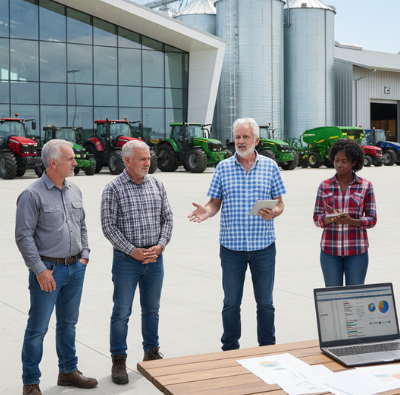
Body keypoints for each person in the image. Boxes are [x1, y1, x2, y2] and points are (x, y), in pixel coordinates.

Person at [188, 117, 287, 351]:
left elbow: (280, 203)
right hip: (232, 249)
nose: (241, 141)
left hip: (263, 248)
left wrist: (274, 212)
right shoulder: (223, 168)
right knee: (231, 303)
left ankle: (267, 349)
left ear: (256, 140)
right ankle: (230, 349)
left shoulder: (270, 167)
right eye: (238, 137)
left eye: (246, 137)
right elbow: (214, 203)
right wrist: (207, 211)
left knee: (265, 303)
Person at [15, 139, 96, 395]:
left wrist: (84, 256)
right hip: (48, 272)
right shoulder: (32, 194)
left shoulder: (75, 189)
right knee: (37, 328)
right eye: (70, 159)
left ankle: (68, 371)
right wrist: (40, 270)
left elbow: (82, 225)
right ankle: (30, 382)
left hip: (75, 269)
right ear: (53, 163)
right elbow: (23, 236)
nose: (75, 162)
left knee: (68, 324)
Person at [101, 140, 173, 385]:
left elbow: (167, 218)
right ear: (127, 161)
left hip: (155, 258)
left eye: (148, 158)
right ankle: (118, 359)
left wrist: (160, 246)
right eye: (142, 159)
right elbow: (108, 227)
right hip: (126, 261)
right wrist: (133, 251)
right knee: (121, 312)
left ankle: (151, 353)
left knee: (152, 310)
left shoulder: (157, 184)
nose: (147, 163)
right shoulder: (113, 188)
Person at [313, 138, 377, 286]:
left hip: (357, 252)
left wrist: (351, 221)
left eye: (344, 161)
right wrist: (330, 218)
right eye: (336, 160)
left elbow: (372, 219)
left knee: (354, 296)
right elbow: (316, 217)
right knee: (333, 295)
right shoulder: (324, 186)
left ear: (354, 162)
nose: (338, 165)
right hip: (330, 251)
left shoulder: (365, 186)